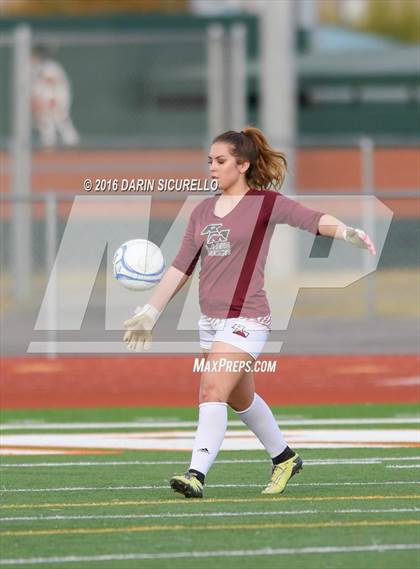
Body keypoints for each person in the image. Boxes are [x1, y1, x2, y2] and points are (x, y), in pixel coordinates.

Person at [123, 127, 376, 499]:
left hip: (247, 319)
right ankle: (285, 457)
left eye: (221, 161)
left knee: (210, 387)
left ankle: (196, 474)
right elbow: (181, 266)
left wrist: (344, 231)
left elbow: (310, 218)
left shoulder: (266, 203)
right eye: (210, 160)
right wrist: (150, 310)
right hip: (210, 323)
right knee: (239, 398)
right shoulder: (202, 210)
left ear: (242, 165)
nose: (213, 167)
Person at [31, 47, 80, 149]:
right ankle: (49, 145)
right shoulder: (37, 68)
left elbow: (51, 82)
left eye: (33, 57)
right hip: (48, 99)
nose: (32, 59)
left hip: (57, 98)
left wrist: (52, 100)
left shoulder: (50, 66)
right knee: (46, 121)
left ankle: (72, 143)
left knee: (60, 119)